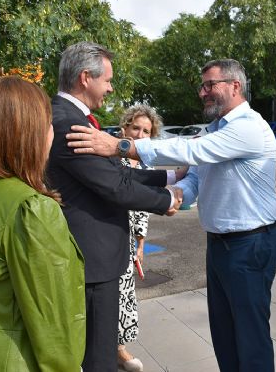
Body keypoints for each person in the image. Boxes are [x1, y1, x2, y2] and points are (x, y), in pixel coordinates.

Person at [66, 58, 276, 372]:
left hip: (250, 245)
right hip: (222, 245)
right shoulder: (216, 129)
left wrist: (121, 146)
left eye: (211, 85)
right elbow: (196, 176)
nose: (203, 92)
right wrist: (175, 196)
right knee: (224, 333)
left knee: (250, 337)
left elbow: (191, 152)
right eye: (202, 85)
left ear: (236, 86)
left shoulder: (248, 128)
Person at [46, 41, 183, 372]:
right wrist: (167, 200)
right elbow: (113, 186)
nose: (110, 87)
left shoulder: (70, 116)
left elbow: (115, 172)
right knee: (99, 355)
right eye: (107, 80)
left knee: (100, 347)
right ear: (85, 78)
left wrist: (167, 176)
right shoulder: (69, 123)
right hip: (92, 259)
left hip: (96, 257)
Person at [0, 76, 85, 371]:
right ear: (30, 134)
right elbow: (55, 326)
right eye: (48, 123)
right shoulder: (32, 208)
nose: (53, 132)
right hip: (17, 361)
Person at [116, 104, 164, 372]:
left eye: (147, 131)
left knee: (125, 292)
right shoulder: (112, 157)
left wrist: (141, 245)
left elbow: (143, 209)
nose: (140, 134)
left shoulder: (145, 163)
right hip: (110, 231)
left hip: (129, 238)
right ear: (125, 128)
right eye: (136, 128)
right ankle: (113, 349)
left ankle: (118, 348)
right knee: (110, 292)